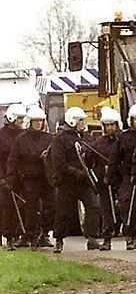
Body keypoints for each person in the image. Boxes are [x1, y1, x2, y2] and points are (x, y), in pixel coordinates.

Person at [50, 107, 101, 253]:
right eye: (81, 120)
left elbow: (91, 157)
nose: (83, 123)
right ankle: (59, 240)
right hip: (67, 183)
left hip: (85, 183)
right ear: (73, 121)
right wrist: (76, 172)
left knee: (94, 207)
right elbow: (59, 163)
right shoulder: (60, 139)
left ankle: (92, 237)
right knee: (63, 213)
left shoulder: (86, 137)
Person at [7, 106, 54, 249]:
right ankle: (32, 236)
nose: (39, 124)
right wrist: (10, 179)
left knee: (52, 207)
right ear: (30, 122)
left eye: (41, 121)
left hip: (47, 179)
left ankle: (45, 233)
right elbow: (13, 160)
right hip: (30, 179)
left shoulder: (50, 138)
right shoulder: (21, 140)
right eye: (35, 121)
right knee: (31, 209)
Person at [113, 104, 136, 250]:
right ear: (131, 121)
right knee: (130, 207)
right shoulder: (124, 137)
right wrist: (113, 176)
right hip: (128, 176)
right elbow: (115, 158)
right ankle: (131, 236)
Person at [88, 107, 122, 251]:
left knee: (122, 206)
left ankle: (130, 235)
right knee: (106, 209)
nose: (109, 128)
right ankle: (107, 238)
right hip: (104, 181)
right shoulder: (98, 143)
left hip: (120, 179)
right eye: (107, 125)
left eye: (112, 125)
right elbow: (90, 162)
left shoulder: (122, 140)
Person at [0, 104, 27, 250]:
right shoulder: (1, 136)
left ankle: (21, 234)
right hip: (5, 178)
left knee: (25, 206)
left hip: (22, 177)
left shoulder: (24, 135)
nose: (21, 122)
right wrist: (2, 178)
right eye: (19, 119)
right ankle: (8, 236)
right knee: (7, 208)